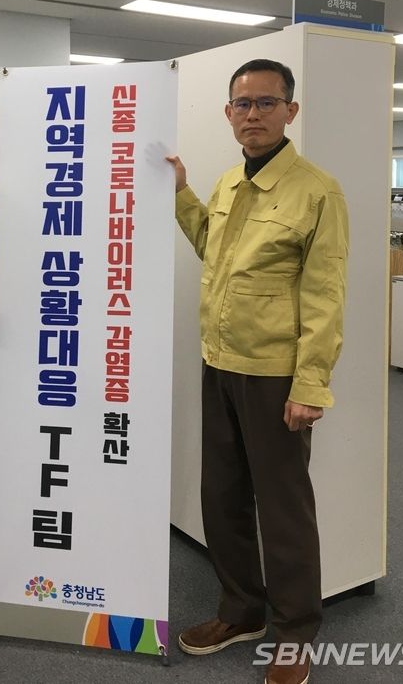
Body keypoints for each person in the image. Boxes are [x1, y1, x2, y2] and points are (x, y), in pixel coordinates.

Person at [167, 59, 348, 684]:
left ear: (290, 111)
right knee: (222, 498)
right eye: (242, 104)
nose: (253, 115)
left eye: (267, 103)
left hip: (275, 375)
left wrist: (310, 384)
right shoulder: (227, 184)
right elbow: (210, 249)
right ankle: (241, 609)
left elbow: (325, 296)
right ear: (228, 113)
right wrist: (182, 193)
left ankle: (295, 632)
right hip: (219, 362)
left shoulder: (317, 191)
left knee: (283, 509)